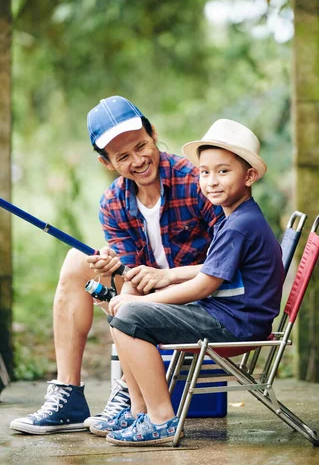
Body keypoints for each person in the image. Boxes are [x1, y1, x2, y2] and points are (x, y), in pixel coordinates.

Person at [9, 96, 222, 435]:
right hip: (152, 292)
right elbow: (134, 276)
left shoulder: (196, 180)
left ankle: (130, 390)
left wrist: (140, 283)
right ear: (106, 162)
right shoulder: (112, 203)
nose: (138, 161)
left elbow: (227, 259)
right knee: (78, 261)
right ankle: (70, 395)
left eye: (141, 146)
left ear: (153, 133)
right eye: (123, 156)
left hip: (202, 293)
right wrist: (115, 268)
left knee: (122, 288)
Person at [99, 118, 284, 446]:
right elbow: (210, 271)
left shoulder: (240, 225)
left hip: (234, 323)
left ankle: (162, 420)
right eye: (204, 172)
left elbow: (204, 285)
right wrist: (164, 277)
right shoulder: (237, 218)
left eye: (223, 172)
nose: (211, 182)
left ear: (250, 176)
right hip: (235, 316)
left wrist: (141, 301)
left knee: (128, 317)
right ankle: (142, 411)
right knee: (123, 313)